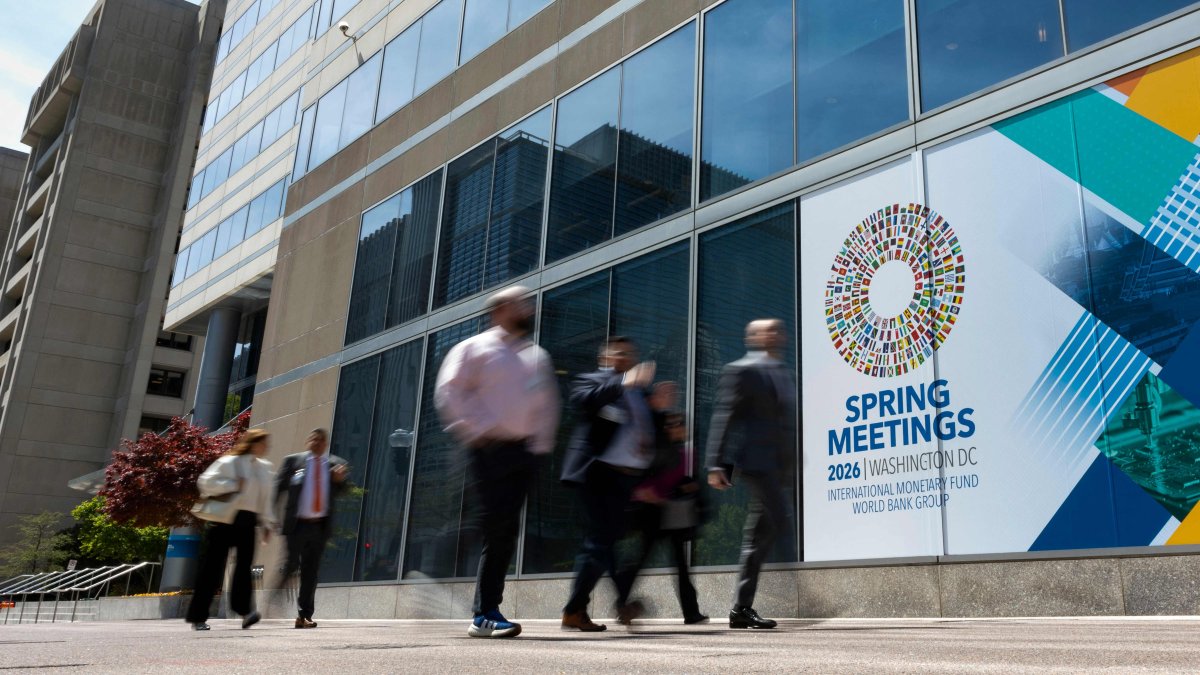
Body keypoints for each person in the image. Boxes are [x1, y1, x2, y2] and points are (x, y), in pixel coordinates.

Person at [435, 285, 559, 639]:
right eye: (522, 304)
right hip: (485, 448)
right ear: (501, 309)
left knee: (504, 531)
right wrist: (479, 430)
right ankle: (482, 612)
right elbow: (449, 391)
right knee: (491, 526)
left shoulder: (536, 356)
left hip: (524, 454)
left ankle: (486, 610)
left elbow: (547, 405)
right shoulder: (474, 348)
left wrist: (539, 449)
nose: (529, 309)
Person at [560, 336, 670, 632]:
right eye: (619, 352)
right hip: (597, 473)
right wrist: (623, 383)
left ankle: (597, 605)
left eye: (630, 353)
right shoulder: (592, 380)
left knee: (606, 542)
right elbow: (583, 403)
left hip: (628, 478)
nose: (626, 357)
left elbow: (646, 434)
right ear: (605, 355)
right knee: (601, 540)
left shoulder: (639, 392)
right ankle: (577, 609)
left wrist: (658, 409)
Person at [706, 318, 796, 630]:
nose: (776, 333)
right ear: (753, 337)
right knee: (783, 522)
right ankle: (800, 589)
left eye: (778, 328)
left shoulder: (782, 372)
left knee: (758, 537)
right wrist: (715, 464)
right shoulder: (741, 370)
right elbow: (724, 417)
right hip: (756, 464)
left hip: (778, 465)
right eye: (768, 329)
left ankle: (740, 609)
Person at [614, 410, 707, 625]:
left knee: (681, 565)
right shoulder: (655, 449)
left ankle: (691, 612)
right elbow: (644, 481)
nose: (676, 427)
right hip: (652, 514)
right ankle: (622, 603)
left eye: (679, 424)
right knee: (639, 560)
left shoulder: (688, 454)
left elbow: (691, 484)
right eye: (671, 424)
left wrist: (686, 489)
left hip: (674, 514)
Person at [187, 428, 275, 631]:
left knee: (245, 568)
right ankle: (198, 617)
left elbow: (266, 499)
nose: (266, 448)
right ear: (253, 443)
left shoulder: (265, 468)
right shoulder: (230, 462)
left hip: (248, 519)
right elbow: (205, 483)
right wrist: (233, 483)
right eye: (263, 443)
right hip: (225, 519)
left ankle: (246, 612)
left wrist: (267, 523)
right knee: (212, 568)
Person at [272, 428, 349, 629]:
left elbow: (344, 490)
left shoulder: (334, 464)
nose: (316, 442)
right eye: (313, 438)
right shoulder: (293, 461)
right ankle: (275, 596)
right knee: (290, 564)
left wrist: (340, 481)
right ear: (308, 441)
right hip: (297, 524)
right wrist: (270, 515)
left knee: (310, 572)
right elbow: (277, 488)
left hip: (319, 526)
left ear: (326, 444)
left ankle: (304, 615)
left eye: (321, 440)